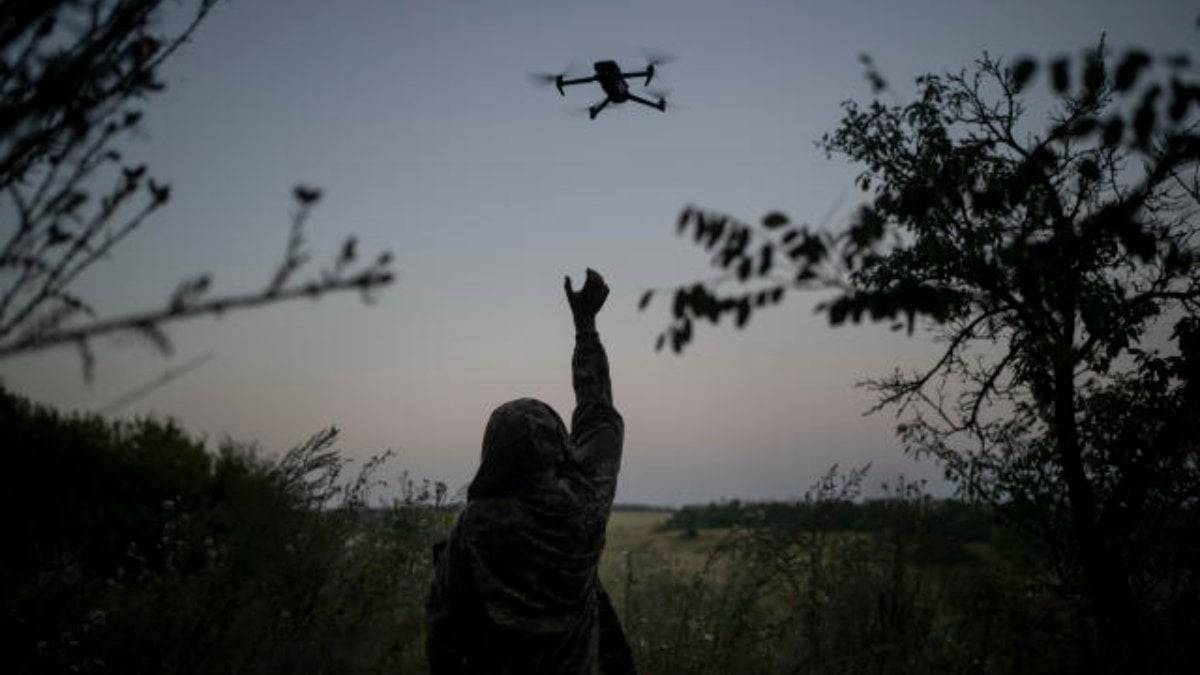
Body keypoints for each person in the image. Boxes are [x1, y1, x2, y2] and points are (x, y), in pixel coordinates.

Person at [426, 268, 636, 674]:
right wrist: (586, 327)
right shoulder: (584, 504)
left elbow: (443, 628)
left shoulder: (474, 526)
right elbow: (598, 415)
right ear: (558, 448)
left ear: (492, 452)